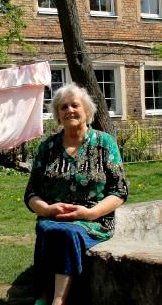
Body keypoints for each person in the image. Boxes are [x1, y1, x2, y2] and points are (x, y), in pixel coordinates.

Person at [24, 83, 129, 305]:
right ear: (58, 115)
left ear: (87, 111)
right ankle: (43, 295)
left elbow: (119, 191)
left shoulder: (104, 143)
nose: (69, 110)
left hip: (95, 220)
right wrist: (46, 209)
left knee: (68, 233)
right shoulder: (48, 147)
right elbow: (32, 192)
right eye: (63, 107)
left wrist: (89, 213)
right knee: (51, 230)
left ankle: (56, 300)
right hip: (53, 216)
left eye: (75, 105)